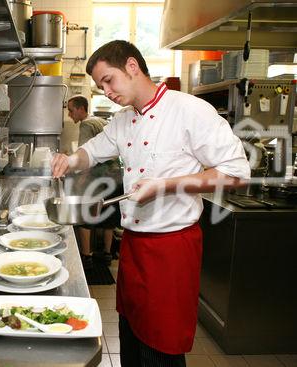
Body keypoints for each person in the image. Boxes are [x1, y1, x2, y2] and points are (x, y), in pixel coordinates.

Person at [51, 40, 250, 367]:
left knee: (162, 350)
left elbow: (236, 173)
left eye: (108, 80)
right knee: (132, 341)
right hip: (133, 247)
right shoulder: (123, 119)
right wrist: (69, 160)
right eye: (100, 86)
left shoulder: (189, 110)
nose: (106, 91)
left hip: (172, 249)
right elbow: (95, 149)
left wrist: (164, 186)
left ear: (132, 66)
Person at [67, 95, 120, 270]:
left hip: (98, 177)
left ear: (81, 109)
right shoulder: (100, 121)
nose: (69, 115)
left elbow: (87, 158)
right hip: (114, 177)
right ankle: (107, 254)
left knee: (85, 215)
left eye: (71, 110)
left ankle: (87, 257)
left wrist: (80, 180)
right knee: (109, 216)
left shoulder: (86, 124)